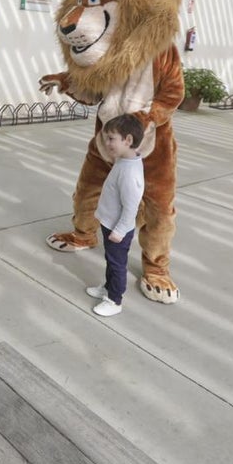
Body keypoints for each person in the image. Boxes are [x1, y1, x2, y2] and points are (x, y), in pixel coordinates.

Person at [85, 114, 145, 317]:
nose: (107, 142)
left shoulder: (130, 174)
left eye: (111, 138)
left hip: (117, 228)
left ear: (128, 140)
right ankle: (108, 287)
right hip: (110, 223)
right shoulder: (126, 161)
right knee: (110, 259)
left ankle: (115, 299)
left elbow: (131, 208)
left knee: (117, 263)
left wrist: (119, 231)